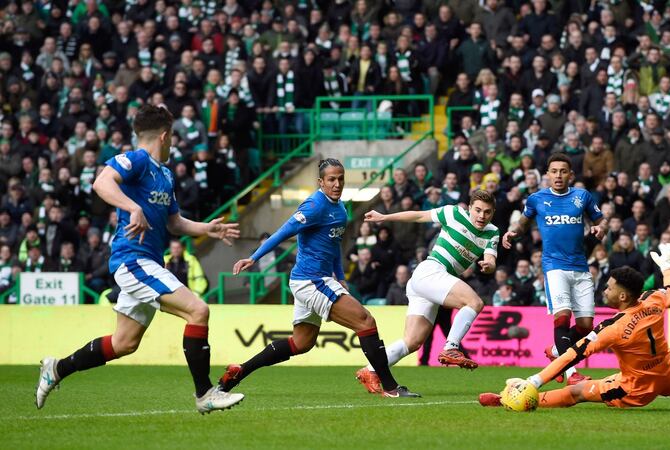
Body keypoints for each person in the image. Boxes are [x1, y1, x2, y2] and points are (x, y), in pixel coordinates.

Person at [36, 105, 244, 414]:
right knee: (198, 310)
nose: (173, 143)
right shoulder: (137, 160)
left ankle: (56, 368)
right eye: (172, 138)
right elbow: (101, 182)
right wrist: (132, 207)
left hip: (149, 263)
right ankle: (205, 393)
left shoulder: (165, 175)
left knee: (124, 343)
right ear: (164, 136)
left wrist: (207, 229)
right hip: (132, 260)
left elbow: (174, 223)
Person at [219, 159, 419, 398]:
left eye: (340, 179)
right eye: (331, 179)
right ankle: (390, 387)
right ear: (320, 182)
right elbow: (284, 231)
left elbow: (334, 245)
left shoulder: (340, 208)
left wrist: (341, 276)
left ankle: (240, 371)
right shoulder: (314, 205)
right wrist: (254, 258)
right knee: (365, 321)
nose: (337, 184)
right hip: (311, 281)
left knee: (301, 343)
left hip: (315, 280)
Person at [479, 244, 670, 413]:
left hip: (635, 387)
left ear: (622, 296)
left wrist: (534, 381)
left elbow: (571, 355)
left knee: (576, 392)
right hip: (667, 372)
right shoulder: (653, 299)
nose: (604, 290)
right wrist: (668, 265)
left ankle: (508, 400)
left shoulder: (613, 327)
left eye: (609, 287)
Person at [355, 190, 499, 394]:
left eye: (487, 212)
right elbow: (418, 215)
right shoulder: (453, 213)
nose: (482, 216)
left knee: (412, 342)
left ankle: (370, 370)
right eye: (478, 210)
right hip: (431, 271)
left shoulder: (493, 232)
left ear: (493, 213)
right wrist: (384, 217)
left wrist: (489, 266)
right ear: (469, 208)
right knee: (474, 303)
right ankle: (451, 347)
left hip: (431, 284)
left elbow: (491, 259)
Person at [502, 153, 608, 385]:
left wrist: (602, 229)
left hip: (581, 267)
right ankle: (571, 373)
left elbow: (601, 221)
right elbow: (523, 223)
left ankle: (555, 351)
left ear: (571, 175)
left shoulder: (582, 196)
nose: (558, 175)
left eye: (563, 171)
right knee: (562, 316)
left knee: (586, 326)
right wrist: (512, 232)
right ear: (547, 175)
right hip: (554, 266)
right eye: (554, 171)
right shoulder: (536, 199)